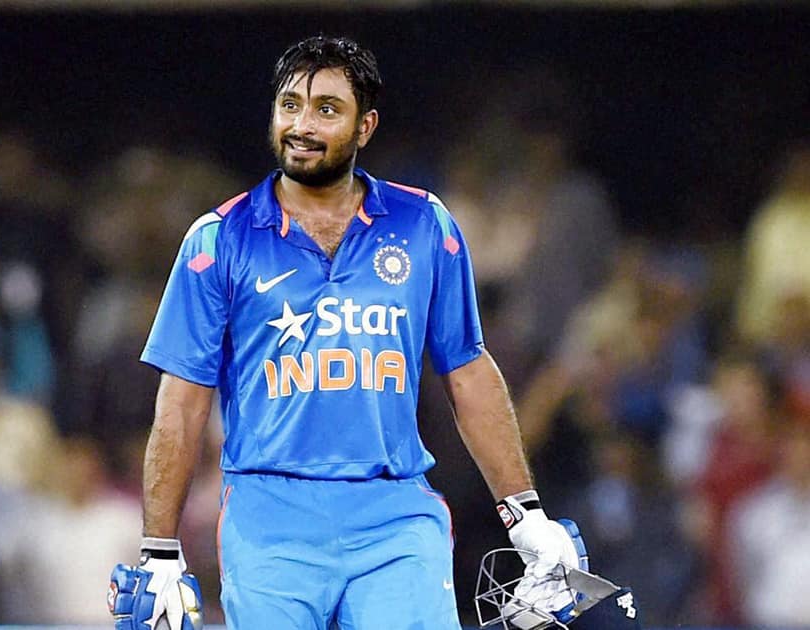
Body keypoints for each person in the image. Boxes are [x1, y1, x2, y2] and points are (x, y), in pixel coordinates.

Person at [109, 36, 586, 630]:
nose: (302, 125)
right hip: (268, 520)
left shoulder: (423, 225)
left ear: (366, 126)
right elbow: (180, 406)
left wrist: (527, 515)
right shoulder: (217, 240)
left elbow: (468, 373)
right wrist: (159, 548)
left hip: (396, 518)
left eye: (326, 110)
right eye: (289, 106)